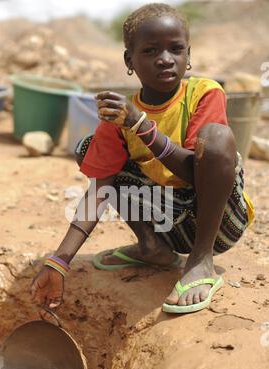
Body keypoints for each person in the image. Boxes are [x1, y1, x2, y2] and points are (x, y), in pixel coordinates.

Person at [30, 3, 254, 314]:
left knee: (216, 138)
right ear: (129, 61)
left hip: (217, 222)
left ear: (188, 56)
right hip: (168, 222)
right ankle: (153, 248)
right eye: (150, 51)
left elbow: (195, 172)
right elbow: (100, 190)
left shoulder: (204, 93)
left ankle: (201, 263)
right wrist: (59, 261)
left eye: (176, 49)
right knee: (90, 147)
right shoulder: (121, 118)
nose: (165, 59)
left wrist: (143, 127)